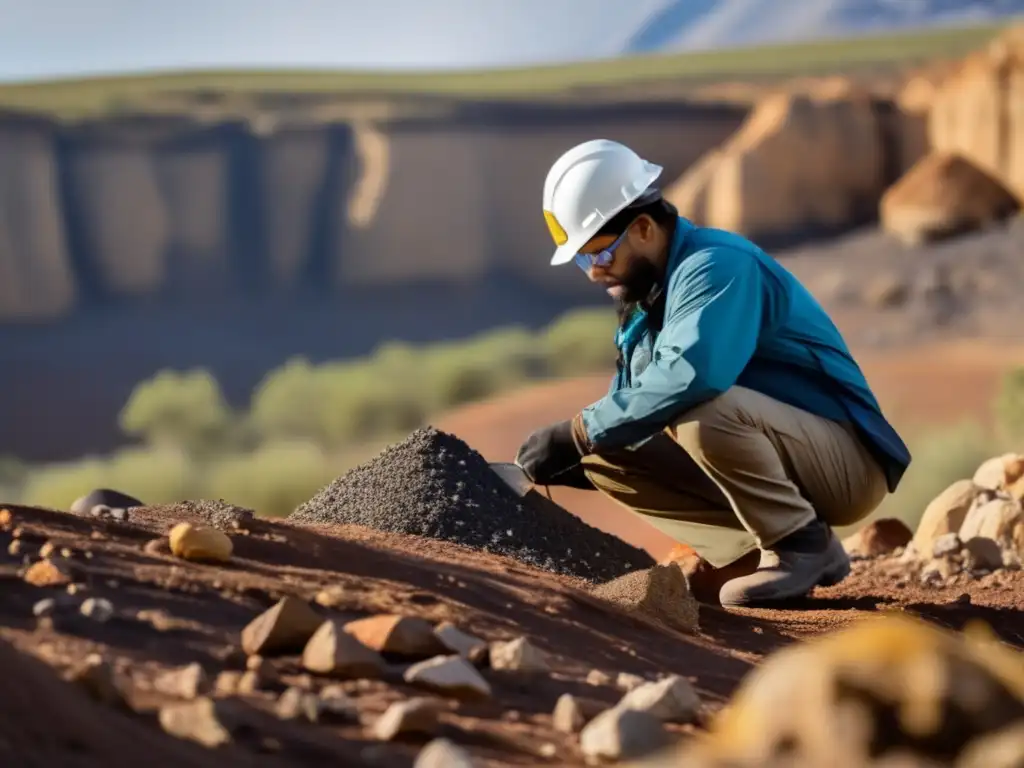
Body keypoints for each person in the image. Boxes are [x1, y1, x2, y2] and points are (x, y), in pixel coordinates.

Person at [515, 139, 911, 607]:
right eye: (583, 260)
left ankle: (800, 545)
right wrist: (583, 458)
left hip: (845, 466)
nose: (593, 273)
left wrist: (578, 433)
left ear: (642, 228)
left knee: (696, 411)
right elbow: (633, 408)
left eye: (599, 254)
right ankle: (748, 555)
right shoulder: (647, 304)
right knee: (604, 450)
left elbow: (694, 375)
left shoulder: (717, 266)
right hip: (785, 455)